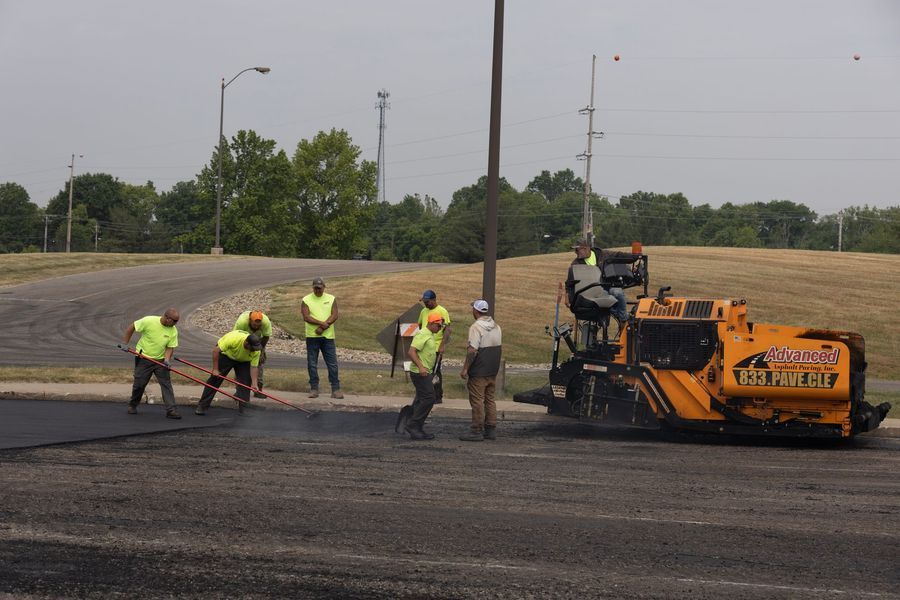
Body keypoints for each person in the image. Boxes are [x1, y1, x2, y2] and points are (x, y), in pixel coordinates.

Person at [121, 309, 182, 419]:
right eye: (174, 321)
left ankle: (171, 410)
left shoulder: (173, 330)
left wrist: (167, 360)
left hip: (161, 361)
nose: (175, 324)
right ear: (167, 318)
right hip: (143, 358)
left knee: (166, 385)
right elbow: (133, 326)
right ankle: (133, 405)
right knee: (139, 384)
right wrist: (125, 343)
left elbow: (170, 347)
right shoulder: (149, 321)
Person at [459, 300, 503, 441]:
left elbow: (472, 351)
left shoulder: (476, 327)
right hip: (492, 370)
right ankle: (490, 429)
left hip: (479, 370)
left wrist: (465, 369)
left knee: (477, 400)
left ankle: (476, 430)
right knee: (490, 399)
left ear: (476, 311)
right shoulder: (496, 326)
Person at [195, 330, 262, 415]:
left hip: (244, 362)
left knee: (245, 383)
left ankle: (244, 408)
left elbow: (254, 367)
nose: (254, 350)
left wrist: (255, 383)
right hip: (227, 355)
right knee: (215, 379)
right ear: (246, 343)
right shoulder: (233, 339)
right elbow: (215, 351)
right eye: (252, 348)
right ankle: (202, 406)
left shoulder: (256, 350)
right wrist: (215, 369)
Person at [566, 238, 630, 327]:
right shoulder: (575, 264)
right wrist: (568, 298)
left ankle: (623, 318)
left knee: (617, 292)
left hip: (607, 285)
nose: (575, 252)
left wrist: (634, 256)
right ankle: (616, 313)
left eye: (577, 250)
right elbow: (569, 283)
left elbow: (618, 255)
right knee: (604, 301)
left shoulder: (602, 254)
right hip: (592, 290)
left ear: (586, 248)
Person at [301, 277, 342, 399]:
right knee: (312, 363)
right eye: (315, 288)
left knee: (332, 364)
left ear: (324, 287)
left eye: (319, 288)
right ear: (313, 287)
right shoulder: (306, 299)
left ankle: (336, 389)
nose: (317, 290)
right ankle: (314, 388)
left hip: (328, 337)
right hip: (312, 336)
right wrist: (322, 324)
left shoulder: (331, 298)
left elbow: (335, 314)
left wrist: (323, 327)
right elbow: (306, 316)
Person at [405, 312, 444, 440]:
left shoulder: (430, 335)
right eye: (438, 325)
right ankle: (413, 425)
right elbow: (411, 352)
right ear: (431, 323)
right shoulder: (422, 334)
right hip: (419, 372)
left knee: (422, 399)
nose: (440, 328)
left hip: (426, 372)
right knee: (429, 398)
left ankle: (416, 427)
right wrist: (421, 367)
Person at [417, 289, 451, 403]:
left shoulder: (442, 311)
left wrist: (442, 345)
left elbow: (447, 330)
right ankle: (425, 394)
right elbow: (420, 325)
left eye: (427, 302)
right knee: (424, 370)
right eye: (424, 302)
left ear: (434, 300)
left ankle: (437, 396)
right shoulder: (423, 311)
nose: (425, 304)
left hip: (436, 346)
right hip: (424, 347)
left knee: (435, 371)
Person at [234, 310, 271, 398]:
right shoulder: (242, 322)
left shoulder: (266, 322)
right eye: (254, 325)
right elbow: (235, 335)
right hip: (242, 340)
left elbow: (266, 336)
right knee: (241, 364)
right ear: (250, 320)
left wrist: (260, 351)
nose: (256, 327)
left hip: (257, 341)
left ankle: (258, 390)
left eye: (259, 326)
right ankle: (239, 391)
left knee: (259, 364)